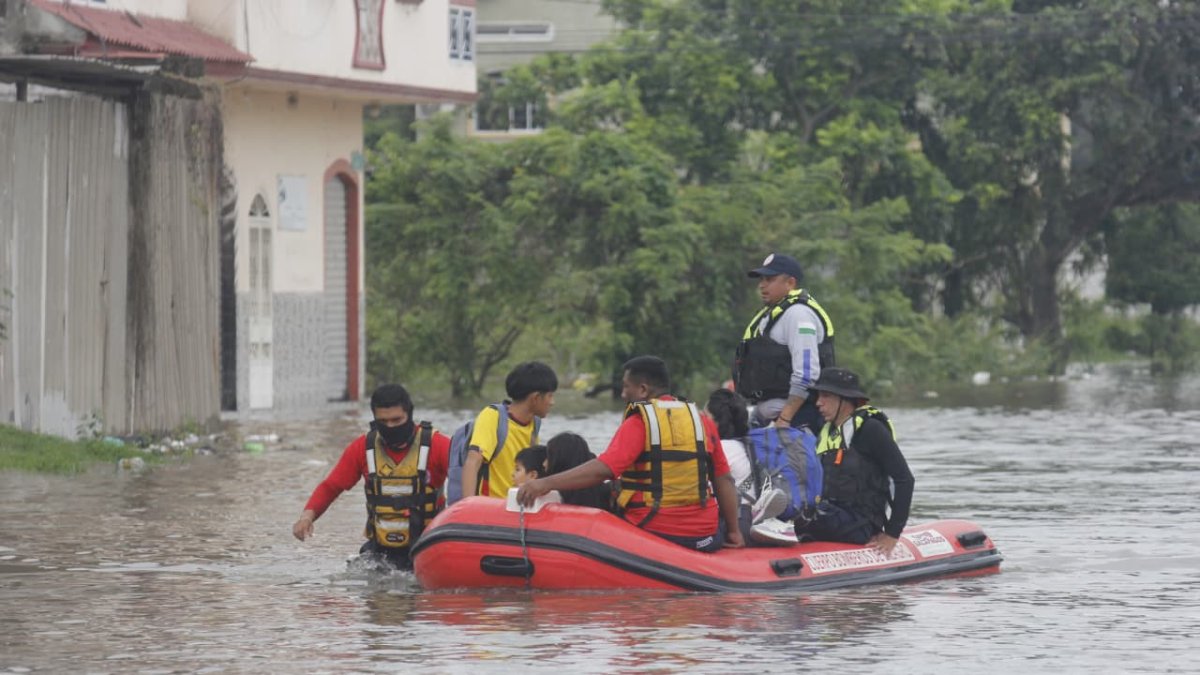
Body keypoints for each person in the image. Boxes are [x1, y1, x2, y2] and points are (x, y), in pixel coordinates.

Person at [518, 356, 744, 552]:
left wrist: (544, 483)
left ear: (643, 390)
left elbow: (603, 469)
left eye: (627, 387)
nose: (623, 393)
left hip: (652, 531)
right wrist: (734, 532)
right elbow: (723, 479)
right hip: (704, 537)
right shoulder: (702, 420)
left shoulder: (640, 422)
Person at [292, 384, 451, 570]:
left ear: (410, 414)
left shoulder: (438, 445)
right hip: (380, 553)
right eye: (383, 421)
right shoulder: (362, 448)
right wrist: (306, 518)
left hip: (429, 548)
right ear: (374, 418)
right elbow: (331, 486)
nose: (390, 427)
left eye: (396, 420)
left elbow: (465, 485)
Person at [798, 367, 914, 554]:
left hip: (861, 523)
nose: (818, 403)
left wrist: (892, 534)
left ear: (845, 399)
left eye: (825, 396)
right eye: (818, 396)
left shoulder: (871, 429)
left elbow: (905, 480)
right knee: (795, 506)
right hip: (830, 513)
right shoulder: (826, 432)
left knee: (804, 516)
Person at [733, 252, 836, 432]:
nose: (762, 285)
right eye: (762, 279)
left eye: (770, 279)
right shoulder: (772, 315)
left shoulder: (798, 315)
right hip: (769, 419)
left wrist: (785, 418)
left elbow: (806, 374)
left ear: (790, 283)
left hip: (796, 419)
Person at [461, 361, 557, 500]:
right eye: (550, 396)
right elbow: (473, 462)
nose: (552, 402)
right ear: (535, 398)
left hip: (516, 506)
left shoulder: (535, 423)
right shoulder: (493, 416)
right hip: (490, 507)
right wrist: (468, 508)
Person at [545, 432, 612, 510]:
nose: (544, 463)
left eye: (549, 457)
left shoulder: (551, 495)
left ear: (560, 460)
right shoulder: (607, 492)